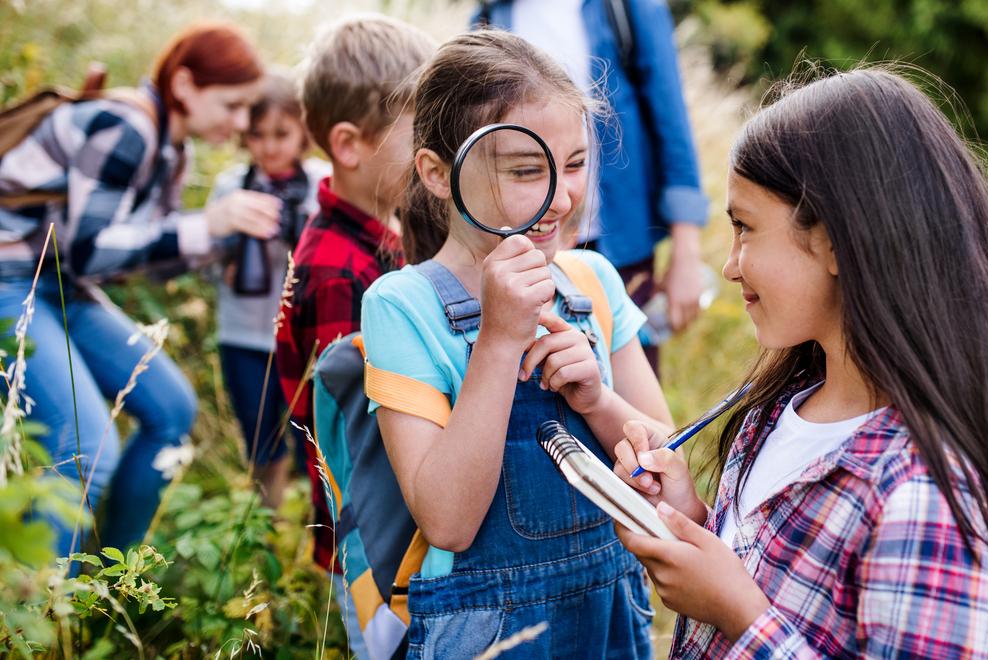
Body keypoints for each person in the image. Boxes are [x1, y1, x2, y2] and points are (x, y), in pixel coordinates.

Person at [613, 68, 988, 657]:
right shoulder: (779, 409)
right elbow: (779, 577)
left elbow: (752, 606)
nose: (730, 265)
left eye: (745, 229)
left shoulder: (923, 495)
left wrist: (739, 614)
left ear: (832, 240)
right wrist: (691, 523)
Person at [361, 31, 672, 659]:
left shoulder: (594, 281)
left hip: (610, 613)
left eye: (578, 163)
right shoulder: (401, 306)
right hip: (486, 634)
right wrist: (498, 341)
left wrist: (597, 401)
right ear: (436, 174)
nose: (563, 198)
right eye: (528, 171)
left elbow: (666, 472)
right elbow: (448, 521)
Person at [0, 23, 275, 556]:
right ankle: (46, 616)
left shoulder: (173, 154)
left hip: (59, 284)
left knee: (171, 408)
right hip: (10, 278)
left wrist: (223, 242)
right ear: (186, 84)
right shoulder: (127, 127)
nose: (240, 123)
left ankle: (113, 577)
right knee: (83, 447)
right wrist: (205, 225)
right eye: (232, 105)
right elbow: (90, 251)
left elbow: (137, 259)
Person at [272, 13, 435, 656]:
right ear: (349, 145)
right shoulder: (341, 272)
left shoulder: (374, 238)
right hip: (377, 550)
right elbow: (367, 438)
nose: (435, 154)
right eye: (418, 134)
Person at [477, 0, 710, 372]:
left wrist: (686, 250)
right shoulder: (491, 14)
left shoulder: (625, 8)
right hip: (530, 239)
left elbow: (671, 120)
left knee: (629, 382)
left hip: (621, 246)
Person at [205, 71, 329, 510]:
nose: (271, 146)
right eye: (257, 135)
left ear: (303, 132)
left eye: (282, 133)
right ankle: (265, 530)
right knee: (260, 441)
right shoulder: (232, 186)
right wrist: (230, 261)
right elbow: (203, 260)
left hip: (304, 337)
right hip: (243, 334)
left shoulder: (320, 183)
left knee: (315, 447)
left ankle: (319, 535)